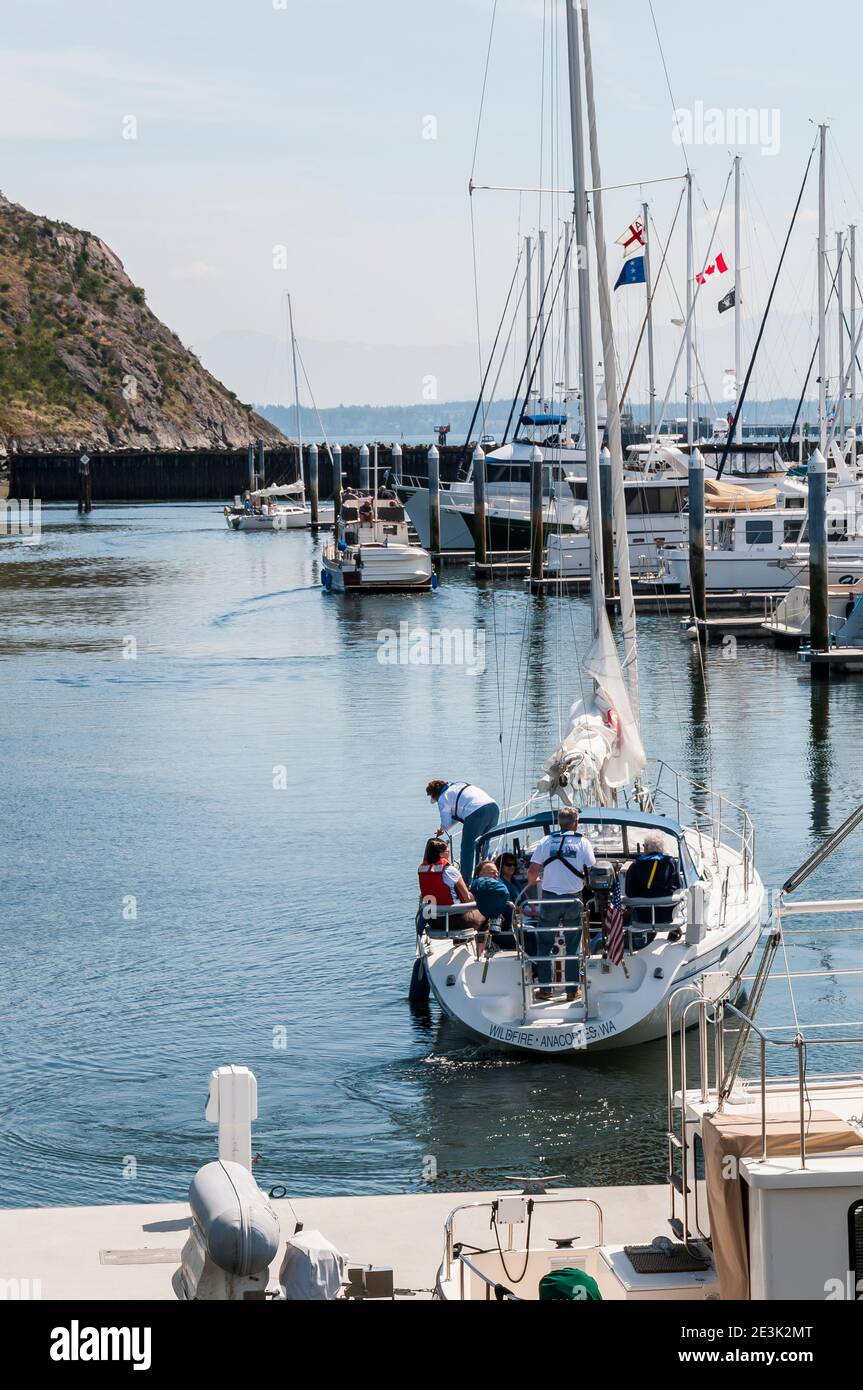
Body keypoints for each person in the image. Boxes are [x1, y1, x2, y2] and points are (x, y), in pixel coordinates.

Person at [525, 808, 596, 1001]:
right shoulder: (583, 842)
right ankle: (572, 991)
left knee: (545, 943)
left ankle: (546, 988)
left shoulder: (546, 841)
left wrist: (534, 882)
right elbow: (592, 870)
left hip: (550, 898)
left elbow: (532, 872)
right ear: (576, 822)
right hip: (574, 898)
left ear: (558, 822)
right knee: (573, 946)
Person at [426, 779, 500, 881]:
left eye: (435, 798)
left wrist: (442, 828)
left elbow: (446, 821)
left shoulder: (443, 798)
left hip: (476, 813)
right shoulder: (456, 786)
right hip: (493, 808)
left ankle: (466, 882)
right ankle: (486, 876)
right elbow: (459, 812)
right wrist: (443, 829)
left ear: (435, 795)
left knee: (467, 849)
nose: (437, 801)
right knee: (484, 844)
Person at [417, 838, 483, 934]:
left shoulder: (422, 870)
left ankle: (461, 940)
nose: (449, 853)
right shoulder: (450, 870)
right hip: (454, 920)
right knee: (485, 914)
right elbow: (467, 898)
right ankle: (482, 948)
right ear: (441, 854)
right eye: (447, 851)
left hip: (433, 921)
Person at [625, 834, 683, 937]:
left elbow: (629, 892)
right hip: (667, 916)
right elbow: (679, 888)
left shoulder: (635, 866)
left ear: (647, 847)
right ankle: (674, 932)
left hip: (643, 917)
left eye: (644, 846)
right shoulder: (670, 863)